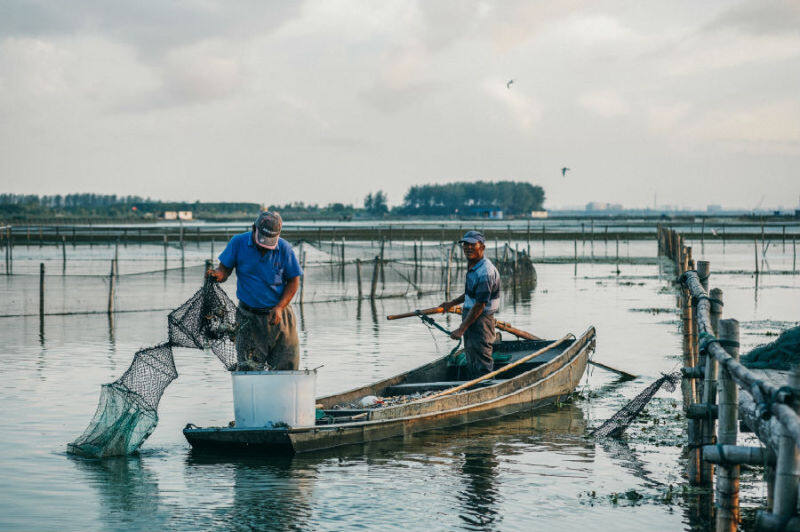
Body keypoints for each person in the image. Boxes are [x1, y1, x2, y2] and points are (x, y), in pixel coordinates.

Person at [207, 211, 303, 370]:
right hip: (248, 318)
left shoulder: (284, 248)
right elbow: (224, 270)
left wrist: (279, 307)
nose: (264, 246)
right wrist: (218, 274)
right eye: (262, 239)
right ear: (254, 228)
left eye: (270, 241)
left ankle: (284, 395)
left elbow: (293, 281)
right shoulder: (238, 242)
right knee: (249, 369)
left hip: (280, 315)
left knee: (287, 368)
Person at [440, 231, 501, 379]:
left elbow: (480, 305)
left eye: (472, 244)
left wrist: (461, 329)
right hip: (471, 315)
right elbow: (471, 294)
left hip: (481, 318)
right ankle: (474, 384)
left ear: (482, 247)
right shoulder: (474, 266)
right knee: (471, 355)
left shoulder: (485, 272)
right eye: (465, 245)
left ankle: (486, 388)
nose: (468, 248)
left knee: (481, 356)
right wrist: (452, 303)